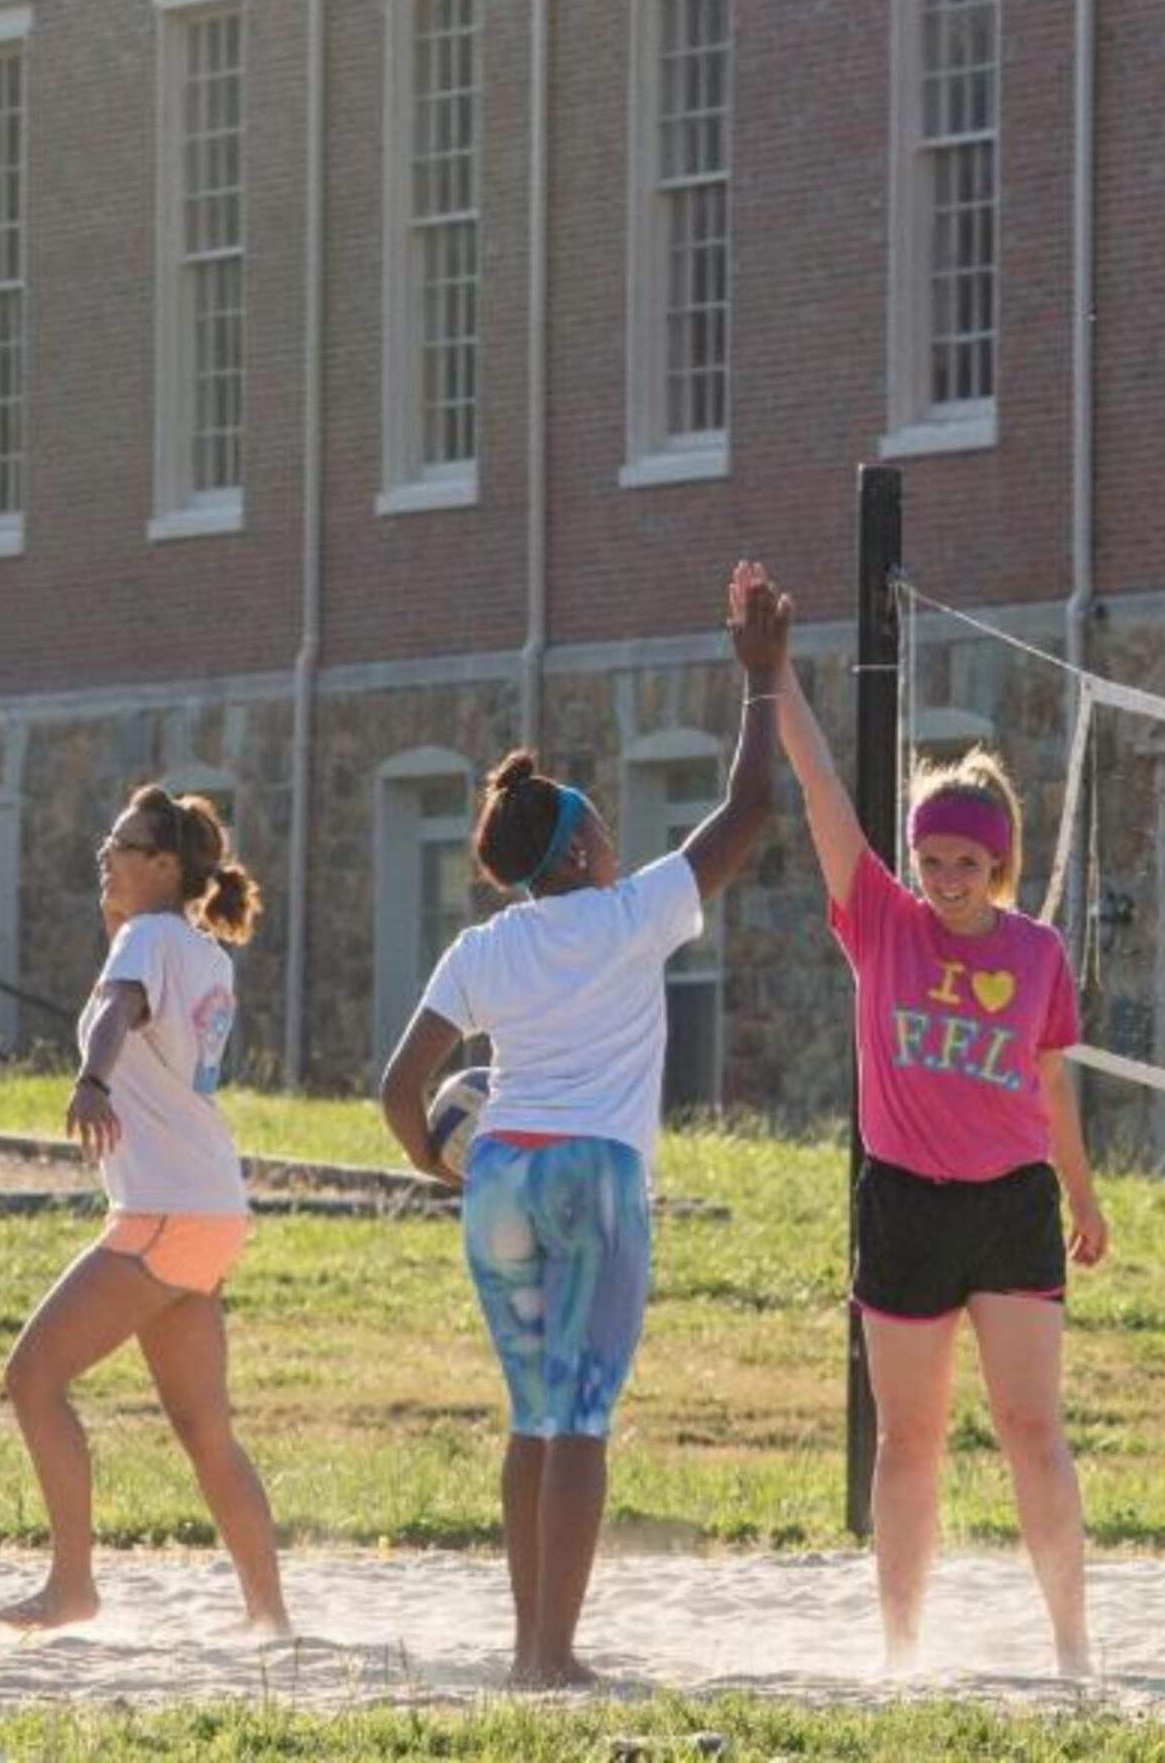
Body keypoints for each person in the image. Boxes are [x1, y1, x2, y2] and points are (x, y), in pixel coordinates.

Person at [374, 561, 791, 1686]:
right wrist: (761, 679)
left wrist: (436, 1166)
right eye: (603, 829)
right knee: (583, 1420)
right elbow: (751, 810)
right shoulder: (626, 915)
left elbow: (397, 1088)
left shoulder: (483, 949)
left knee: (530, 1417)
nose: (615, 842)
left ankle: (526, 1649)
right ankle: (556, 1658)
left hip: (502, 1172)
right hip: (594, 1181)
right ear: (574, 854)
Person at [763, 656, 1105, 1676]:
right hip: (904, 1205)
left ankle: (1074, 1646)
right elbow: (823, 789)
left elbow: (1051, 1089)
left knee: (1029, 1427)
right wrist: (772, 670)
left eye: (968, 864)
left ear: (997, 866)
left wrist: (1083, 1200)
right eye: (934, 860)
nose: (948, 879)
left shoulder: (1037, 953)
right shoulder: (880, 923)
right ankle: (901, 1650)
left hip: (1011, 1209)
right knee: (907, 1440)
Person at [0, 784, 292, 1637]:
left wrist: (90, 1078)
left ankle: (72, 1587)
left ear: (163, 866)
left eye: (119, 846)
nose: (104, 860)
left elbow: (117, 1016)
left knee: (32, 1377)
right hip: (206, 1208)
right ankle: (269, 1614)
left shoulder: (149, 941)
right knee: (206, 1433)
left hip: (164, 1211)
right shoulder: (199, 951)